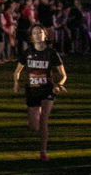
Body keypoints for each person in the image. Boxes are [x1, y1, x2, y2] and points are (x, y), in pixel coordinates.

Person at [13, 23, 67, 161]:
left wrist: (59, 85)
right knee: (34, 126)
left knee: (44, 121)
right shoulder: (28, 53)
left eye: (40, 32)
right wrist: (16, 84)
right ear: (31, 37)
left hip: (47, 90)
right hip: (31, 91)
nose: (38, 35)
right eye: (35, 33)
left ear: (45, 35)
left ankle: (43, 151)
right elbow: (17, 71)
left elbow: (63, 75)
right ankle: (36, 118)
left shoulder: (52, 53)